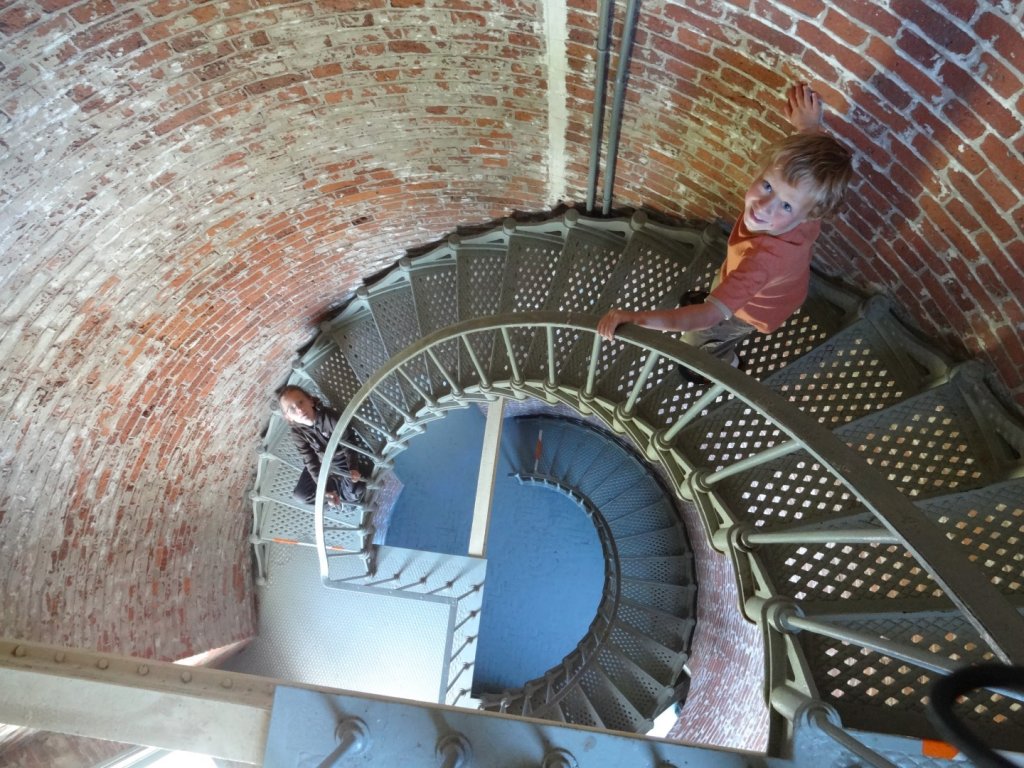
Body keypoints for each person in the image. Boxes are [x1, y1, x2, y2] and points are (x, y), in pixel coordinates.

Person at [597, 83, 853, 375]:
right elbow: (803, 166)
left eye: (785, 206)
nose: (764, 206)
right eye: (767, 185)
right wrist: (808, 126)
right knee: (723, 284)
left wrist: (636, 318)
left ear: (811, 213)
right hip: (777, 285)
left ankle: (726, 362)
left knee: (697, 340)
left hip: (749, 312)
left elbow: (705, 316)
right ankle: (721, 299)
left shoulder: (761, 261)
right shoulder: (807, 202)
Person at [278, 385, 365, 506]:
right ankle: (333, 490)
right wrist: (326, 489)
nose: (299, 410)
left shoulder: (330, 418)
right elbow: (309, 459)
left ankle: (343, 495)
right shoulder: (297, 432)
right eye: (292, 410)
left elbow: (348, 442)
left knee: (356, 489)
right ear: (289, 417)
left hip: (341, 461)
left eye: (301, 402)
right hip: (321, 463)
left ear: (311, 400)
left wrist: (353, 467)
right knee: (300, 495)